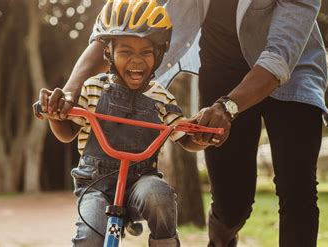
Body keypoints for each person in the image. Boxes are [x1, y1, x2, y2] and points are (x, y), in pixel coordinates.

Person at [52, 0, 328, 246]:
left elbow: (278, 59)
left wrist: (228, 107)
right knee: (232, 205)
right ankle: (221, 239)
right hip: (223, 71)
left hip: (293, 71)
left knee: (297, 186)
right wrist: (67, 93)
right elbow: (118, 24)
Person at [34, 1, 209, 246]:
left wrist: (199, 138)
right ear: (109, 53)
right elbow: (67, 132)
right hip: (96, 184)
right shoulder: (93, 88)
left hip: (141, 182)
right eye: (126, 51)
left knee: (159, 196)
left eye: (146, 53)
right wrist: (55, 115)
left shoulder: (161, 98)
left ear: (159, 54)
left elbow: (184, 136)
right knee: (89, 236)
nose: (137, 61)